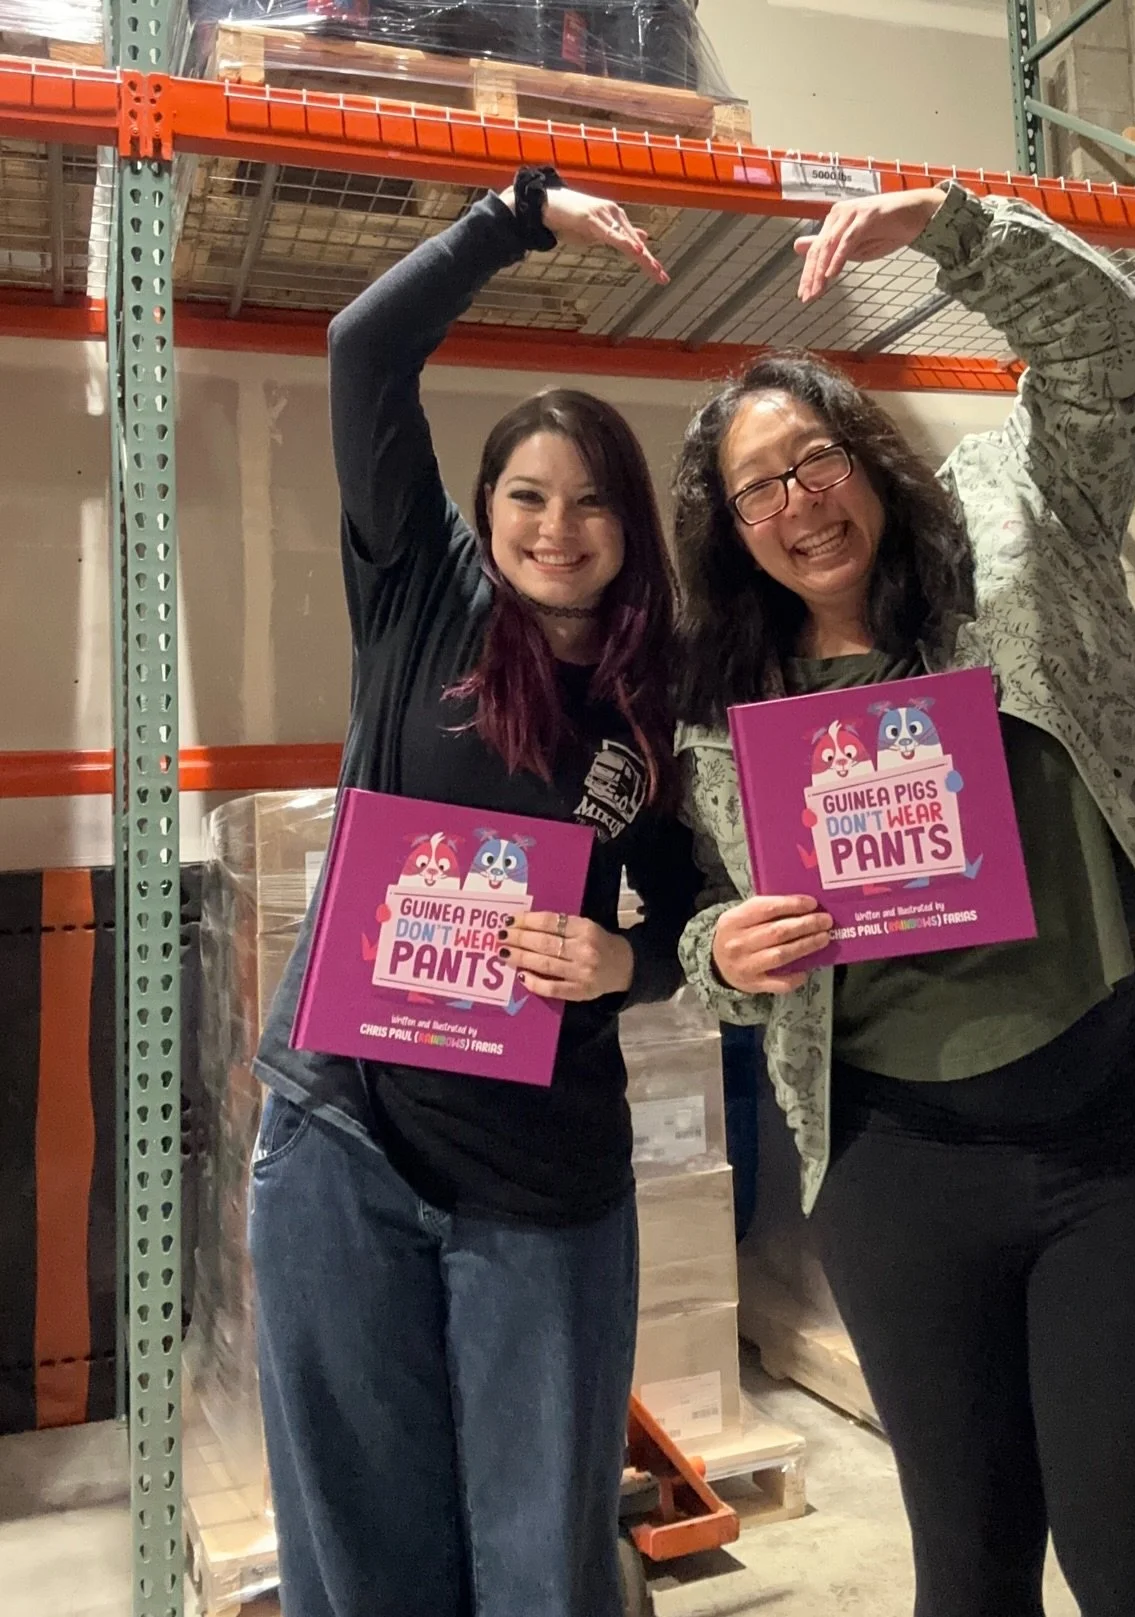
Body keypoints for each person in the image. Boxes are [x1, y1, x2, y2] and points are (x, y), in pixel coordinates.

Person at [670, 181, 1135, 1617]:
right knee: (969, 1578)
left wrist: (954, 226)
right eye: (761, 488)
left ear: (868, 456)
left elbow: (1108, 345)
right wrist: (725, 953)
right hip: (895, 1172)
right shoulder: (726, 712)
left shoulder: (1017, 533)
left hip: (1108, 1138)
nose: (800, 502)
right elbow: (683, 938)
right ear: (734, 529)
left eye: (816, 459)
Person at [245, 168, 701, 1617]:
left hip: (542, 1171)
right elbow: (364, 352)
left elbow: (687, 912)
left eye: (589, 506)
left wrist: (622, 964)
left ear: (631, 526)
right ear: (485, 508)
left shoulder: (662, 701)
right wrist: (513, 218)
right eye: (526, 496)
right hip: (346, 1137)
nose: (555, 530)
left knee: (541, 1564)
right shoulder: (423, 595)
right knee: (361, 1548)